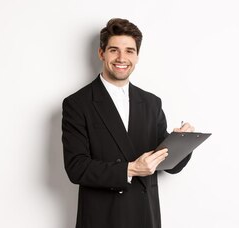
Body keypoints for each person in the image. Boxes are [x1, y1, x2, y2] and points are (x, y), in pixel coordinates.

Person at [61, 18, 195, 228]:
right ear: (101, 53)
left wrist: (181, 143)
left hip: (145, 217)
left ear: (137, 56)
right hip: (102, 218)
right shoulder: (78, 103)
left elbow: (170, 166)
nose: (122, 58)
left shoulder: (151, 102)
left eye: (130, 51)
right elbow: (76, 168)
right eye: (114, 50)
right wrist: (131, 169)